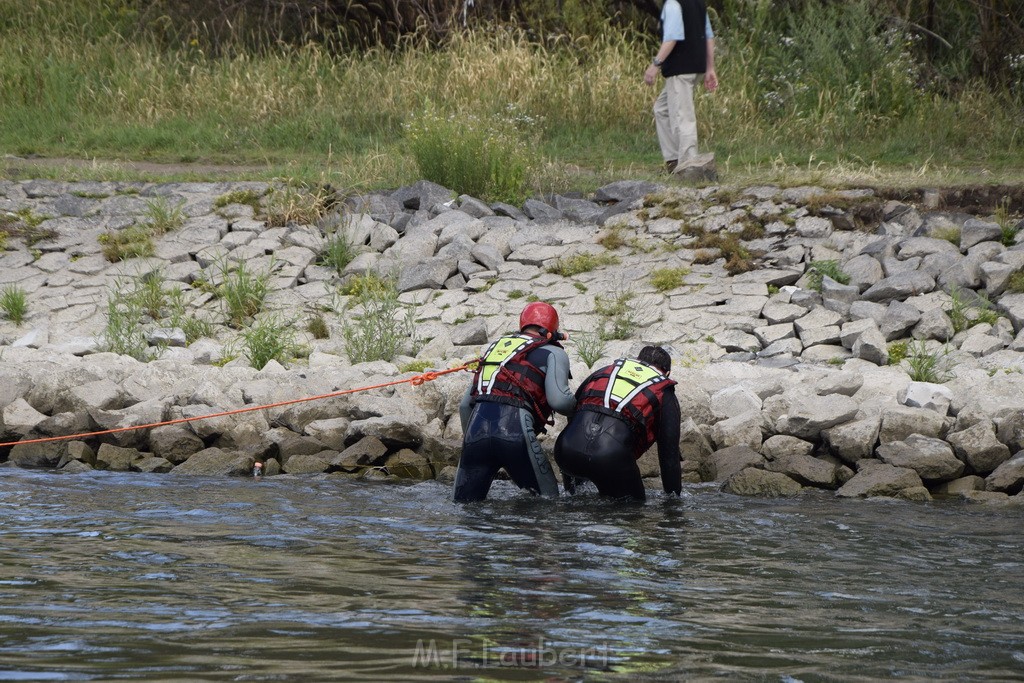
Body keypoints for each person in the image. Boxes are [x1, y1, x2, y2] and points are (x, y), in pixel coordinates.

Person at [453, 302, 576, 502]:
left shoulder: (495, 350)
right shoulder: (554, 353)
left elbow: (465, 406)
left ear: (522, 325)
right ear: (553, 329)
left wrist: (472, 442)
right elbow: (560, 401)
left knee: (464, 508)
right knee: (547, 504)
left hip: (475, 434)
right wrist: (578, 410)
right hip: (515, 435)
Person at [554, 345, 681, 502]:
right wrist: (673, 502)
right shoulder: (664, 389)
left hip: (566, 449)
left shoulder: (606, 370)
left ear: (637, 360)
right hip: (611, 457)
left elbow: (573, 411)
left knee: (576, 504)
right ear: (667, 373)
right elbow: (669, 455)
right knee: (631, 513)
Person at [644, 0, 718, 174]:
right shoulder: (698, 3)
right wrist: (709, 68)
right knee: (661, 109)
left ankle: (689, 167)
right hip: (696, 67)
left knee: (682, 117)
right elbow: (709, 36)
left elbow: (672, 38)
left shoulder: (672, 4)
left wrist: (655, 65)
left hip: (681, 70)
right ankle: (673, 161)